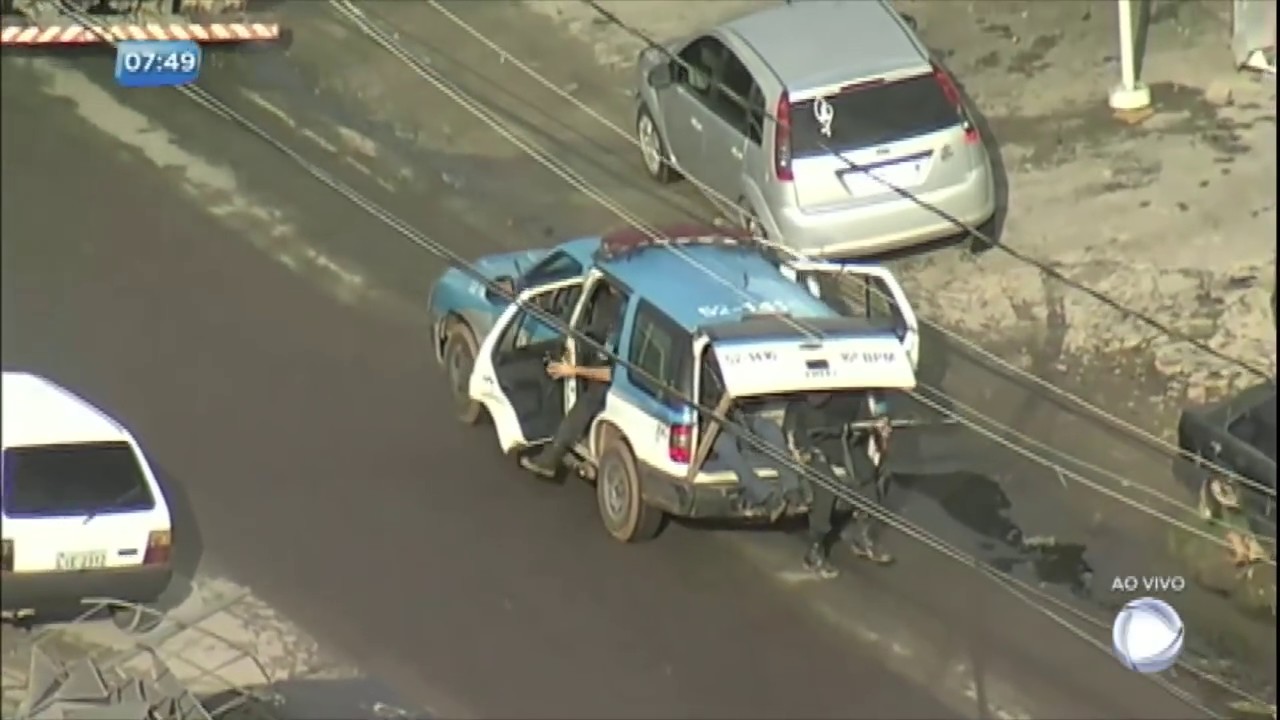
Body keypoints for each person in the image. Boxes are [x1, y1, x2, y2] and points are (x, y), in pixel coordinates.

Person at [785, 390, 894, 578]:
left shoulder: (849, 395)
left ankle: (864, 533)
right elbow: (793, 431)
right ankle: (815, 550)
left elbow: (864, 419)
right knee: (827, 486)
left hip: (841, 441)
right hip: (813, 445)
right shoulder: (801, 402)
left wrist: (877, 425)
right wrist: (805, 451)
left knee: (867, 474)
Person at [520, 284, 623, 479]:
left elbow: (611, 373)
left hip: (613, 379)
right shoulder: (599, 290)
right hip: (594, 357)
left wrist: (573, 370)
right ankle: (550, 432)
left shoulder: (624, 313)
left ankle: (552, 457)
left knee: (588, 401)